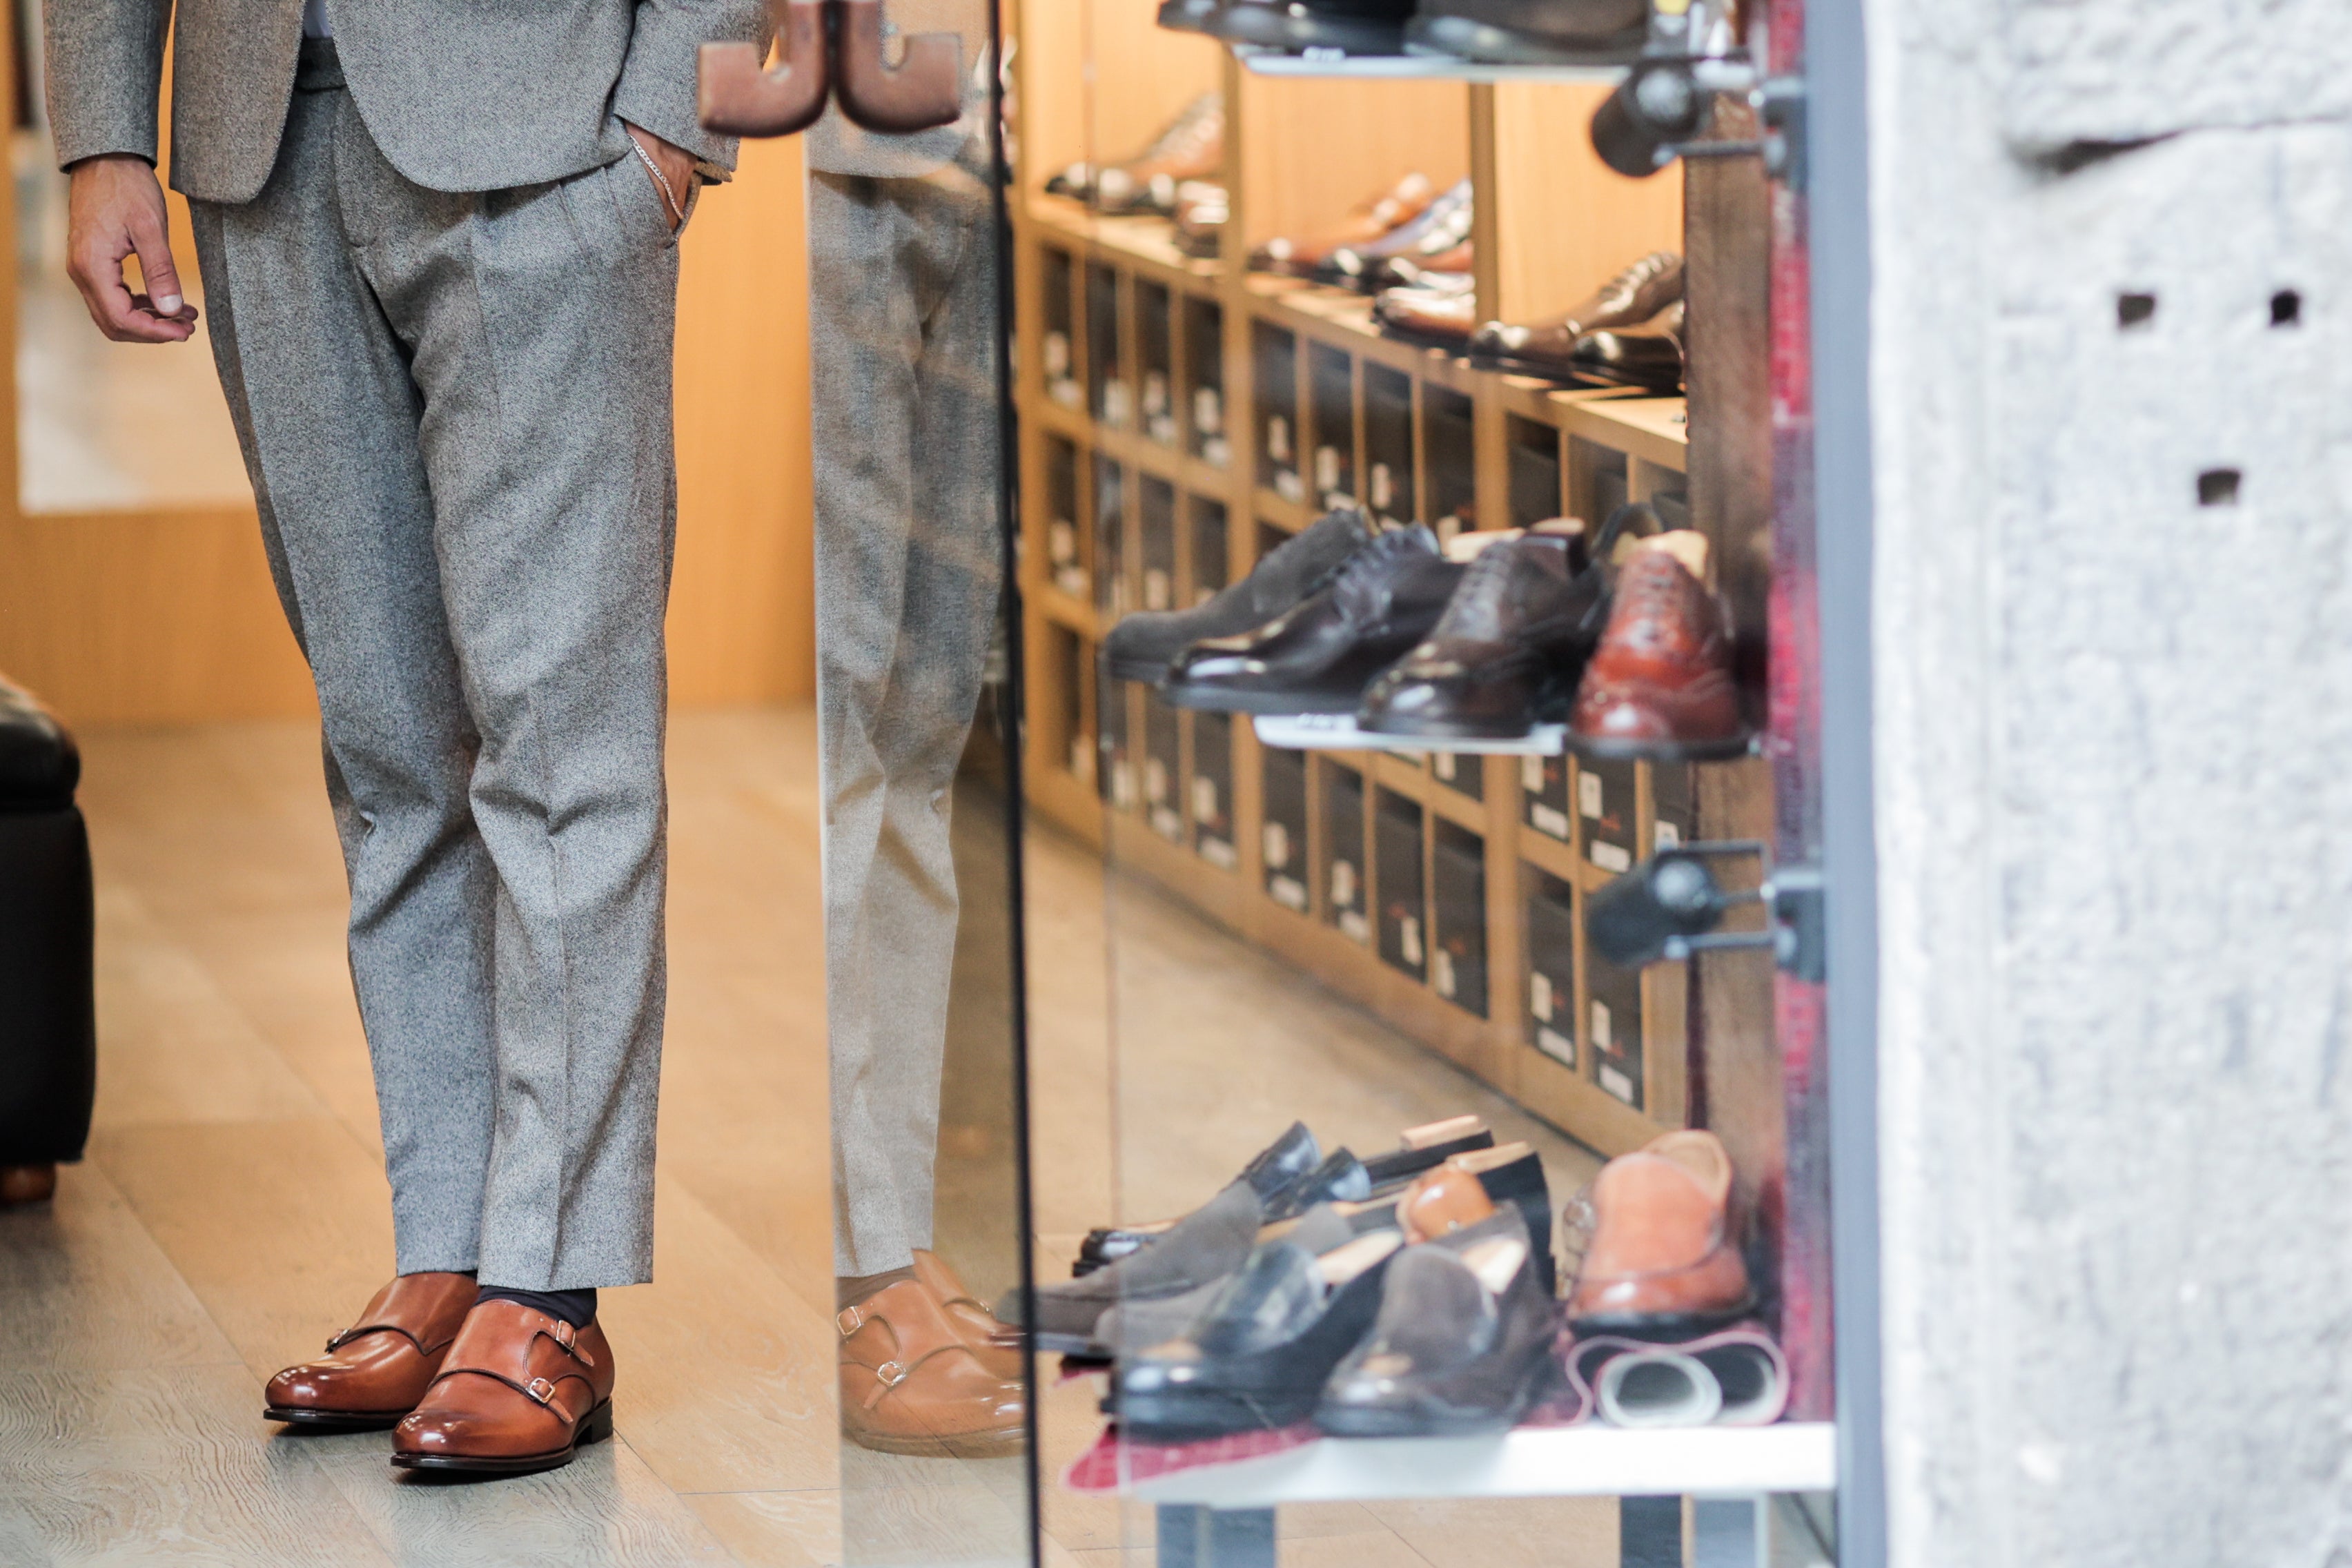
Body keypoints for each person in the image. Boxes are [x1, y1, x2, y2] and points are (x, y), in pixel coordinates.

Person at [47, 0, 764, 1477]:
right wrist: (106, 131)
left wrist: (669, 121)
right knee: (384, 750)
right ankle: (449, 1248)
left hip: (553, 142)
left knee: (562, 748)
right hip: (260, 152)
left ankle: (548, 1290)